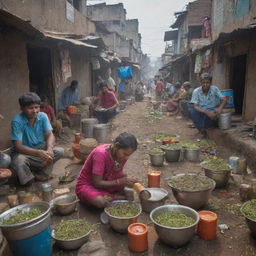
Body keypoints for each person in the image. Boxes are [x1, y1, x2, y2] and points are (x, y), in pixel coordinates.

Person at [10, 92, 64, 185]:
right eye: (30, 108)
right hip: (24, 153)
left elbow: (49, 134)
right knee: (19, 161)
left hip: (40, 149)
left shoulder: (43, 116)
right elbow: (18, 146)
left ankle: (42, 174)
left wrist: (50, 148)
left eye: (37, 107)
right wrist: (37, 153)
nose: (35, 111)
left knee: (59, 151)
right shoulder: (17, 121)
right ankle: (28, 180)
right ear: (22, 108)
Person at [76, 132, 138, 208]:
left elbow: (114, 172)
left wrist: (127, 179)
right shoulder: (100, 154)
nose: (126, 158)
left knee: (126, 181)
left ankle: (114, 197)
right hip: (88, 185)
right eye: (125, 154)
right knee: (100, 201)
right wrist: (119, 181)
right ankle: (116, 197)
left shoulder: (121, 156)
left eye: (129, 155)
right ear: (116, 146)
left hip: (105, 181)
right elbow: (96, 183)